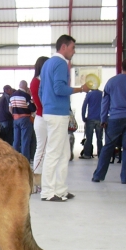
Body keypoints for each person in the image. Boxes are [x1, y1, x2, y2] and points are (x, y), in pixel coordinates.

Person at [39, 34, 90, 202]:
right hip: (57, 114)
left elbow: (41, 91)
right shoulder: (61, 63)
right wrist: (80, 89)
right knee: (54, 153)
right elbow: (60, 88)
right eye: (72, 47)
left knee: (63, 152)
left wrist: (47, 104)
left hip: (51, 112)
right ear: (63, 47)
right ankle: (47, 192)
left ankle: (60, 189)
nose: (74, 51)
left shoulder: (47, 64)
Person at [30, 57, 48, 192]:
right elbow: (40, 103)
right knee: (41, 151)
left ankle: (40, 182)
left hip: (43, 118)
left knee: (43, 151)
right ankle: (36, 181)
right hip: (43, 118)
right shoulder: (37, 82)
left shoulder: (39, 81)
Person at [9, 81, 34, 160]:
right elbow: (32, 108)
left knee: (16, 140)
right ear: (26, 87)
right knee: (25, 140)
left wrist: (14, 115)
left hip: (15, 119)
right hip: (25, 119)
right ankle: (25, 160)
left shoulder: (12, 96)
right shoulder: (26, 96)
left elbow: (10, 109)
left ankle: (14, 159)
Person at [80, 87, 103, 159]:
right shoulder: (102, 94)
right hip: (100, 119)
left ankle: (87, 154)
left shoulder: (89, 94)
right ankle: (101, 155)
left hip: (90, 119)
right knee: (99, 138)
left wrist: (83, 117)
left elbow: (84, 106)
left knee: (89, 138)